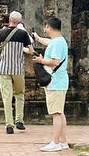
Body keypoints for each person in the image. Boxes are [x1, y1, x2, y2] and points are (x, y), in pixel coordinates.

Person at [0, 11, 32, 134]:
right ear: (19, 22)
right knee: (19, 94)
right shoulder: (23, 34)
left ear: (10, 20)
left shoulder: (0, 33)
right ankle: (19, 120)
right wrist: (20, 49)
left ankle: (9, 125)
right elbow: (30, 50)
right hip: (18, 69)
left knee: (7, 97)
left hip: (4, 69)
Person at [33, 17, 69, 152]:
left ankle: (55, 141)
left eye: (46, 27)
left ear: (50, 27)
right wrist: (38, 38)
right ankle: (63, 141)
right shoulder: (58, 41)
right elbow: (48, 42)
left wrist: (41, 61)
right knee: (59, 112)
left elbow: (55, 62)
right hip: (58, 82)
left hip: (56, 82)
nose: (45, 29)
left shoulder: (58, 43)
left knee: (55, 113)